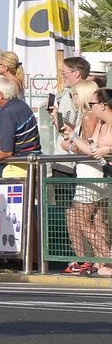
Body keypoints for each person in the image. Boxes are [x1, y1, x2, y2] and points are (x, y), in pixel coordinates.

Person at [55, 79, 109, 275]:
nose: (72, 98)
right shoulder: (92, 117)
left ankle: (102, 258)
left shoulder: (89, 117)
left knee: (81, 218)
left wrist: (69, 145)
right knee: (95, 219)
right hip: (94, 171)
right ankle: (99, 260)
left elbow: (85, 148)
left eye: (74, 94)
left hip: (89, 171)